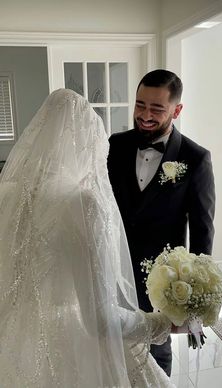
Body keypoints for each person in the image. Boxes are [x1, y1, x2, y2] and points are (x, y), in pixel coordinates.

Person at [0, 88, 177, 387]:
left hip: (17, 342)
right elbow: (101, 320)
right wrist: (162, 324)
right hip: (78, 345)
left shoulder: (6, 193)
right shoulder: (83, 204)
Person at [108, 69, 216, 376]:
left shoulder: (196, 158)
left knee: (156, 353)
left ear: (177, 110)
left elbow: (202, 230)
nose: (144, 115)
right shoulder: (115, 145)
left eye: (157, 109)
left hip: (162, 280)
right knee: (112, 345)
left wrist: (194, 299)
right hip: (112, 269)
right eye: (140, 105)